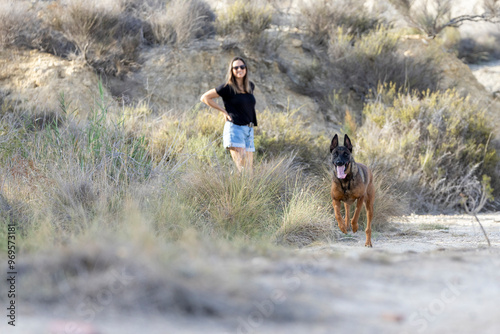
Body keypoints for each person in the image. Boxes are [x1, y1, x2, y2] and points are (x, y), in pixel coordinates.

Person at [200, 56, 257, 173]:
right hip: (235, 128)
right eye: (236, 68)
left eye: (242, 67)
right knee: (242, 168)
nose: (239, 69)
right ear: (232, 70)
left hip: (249, 130)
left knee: (249, 170)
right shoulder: (227, 87)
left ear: (246, 69)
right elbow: (205, 97)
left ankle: (246, 191)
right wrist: (223, 111)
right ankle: (236, 190)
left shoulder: (250, 86)